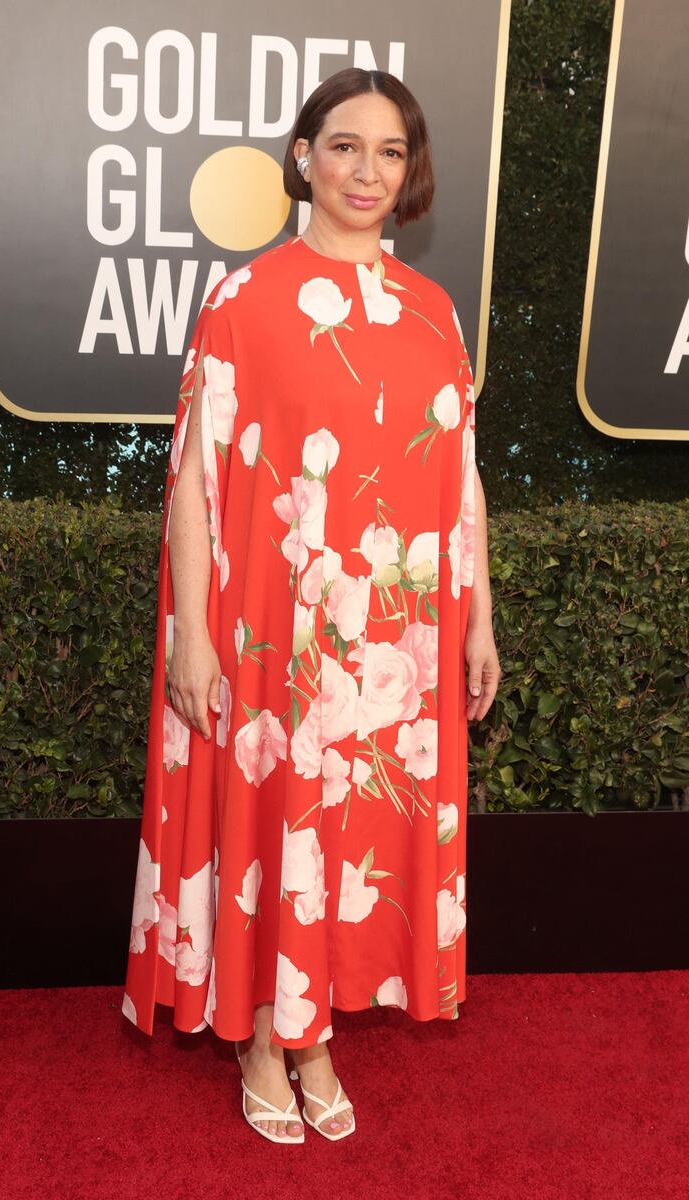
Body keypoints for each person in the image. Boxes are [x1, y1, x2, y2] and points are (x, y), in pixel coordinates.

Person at [122, 66, 501, 1144]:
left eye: (388, 151)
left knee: (354, 833)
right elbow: (194, 483)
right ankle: (262, 1037)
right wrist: (194, 637)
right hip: (273, 635)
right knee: (277, 823)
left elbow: (461, 475)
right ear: (301, 157)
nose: (365, 170)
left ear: (409, 170)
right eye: (343, 146)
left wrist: (477, 618)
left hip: (394, 639)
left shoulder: (432, 311)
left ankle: (316, 1029)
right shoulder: (245, 300)